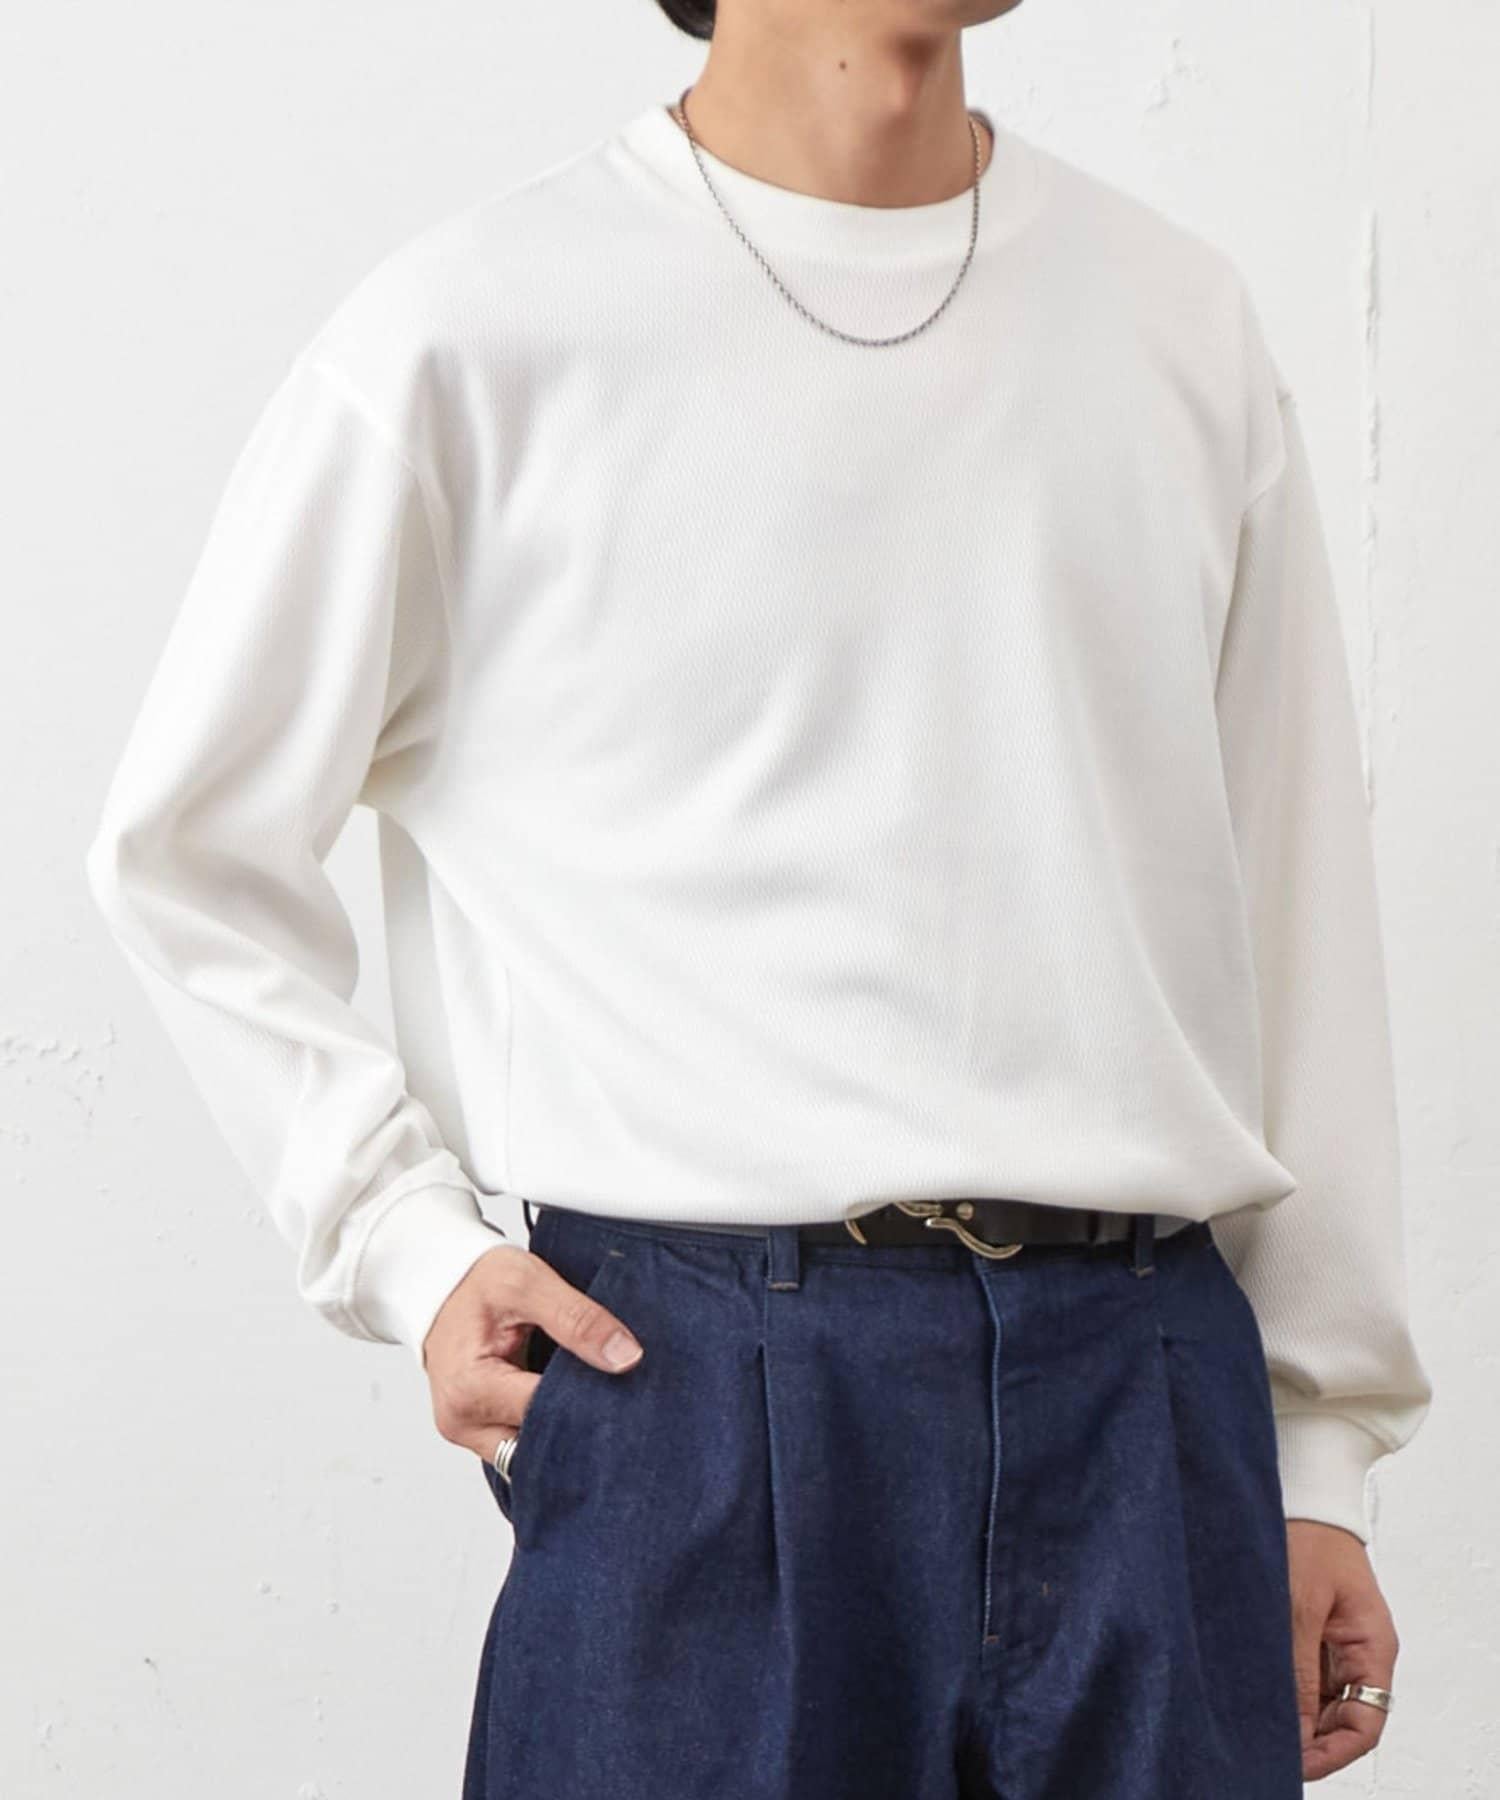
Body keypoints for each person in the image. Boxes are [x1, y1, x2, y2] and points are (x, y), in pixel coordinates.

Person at [84, 1, 1433, 1793]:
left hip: (1144, 1390)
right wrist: (405, 1240)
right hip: (696, 1390)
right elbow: (188, 851)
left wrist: (1318, 1452)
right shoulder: (472, 335)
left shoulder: (1175, 318)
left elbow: (1294, 909)